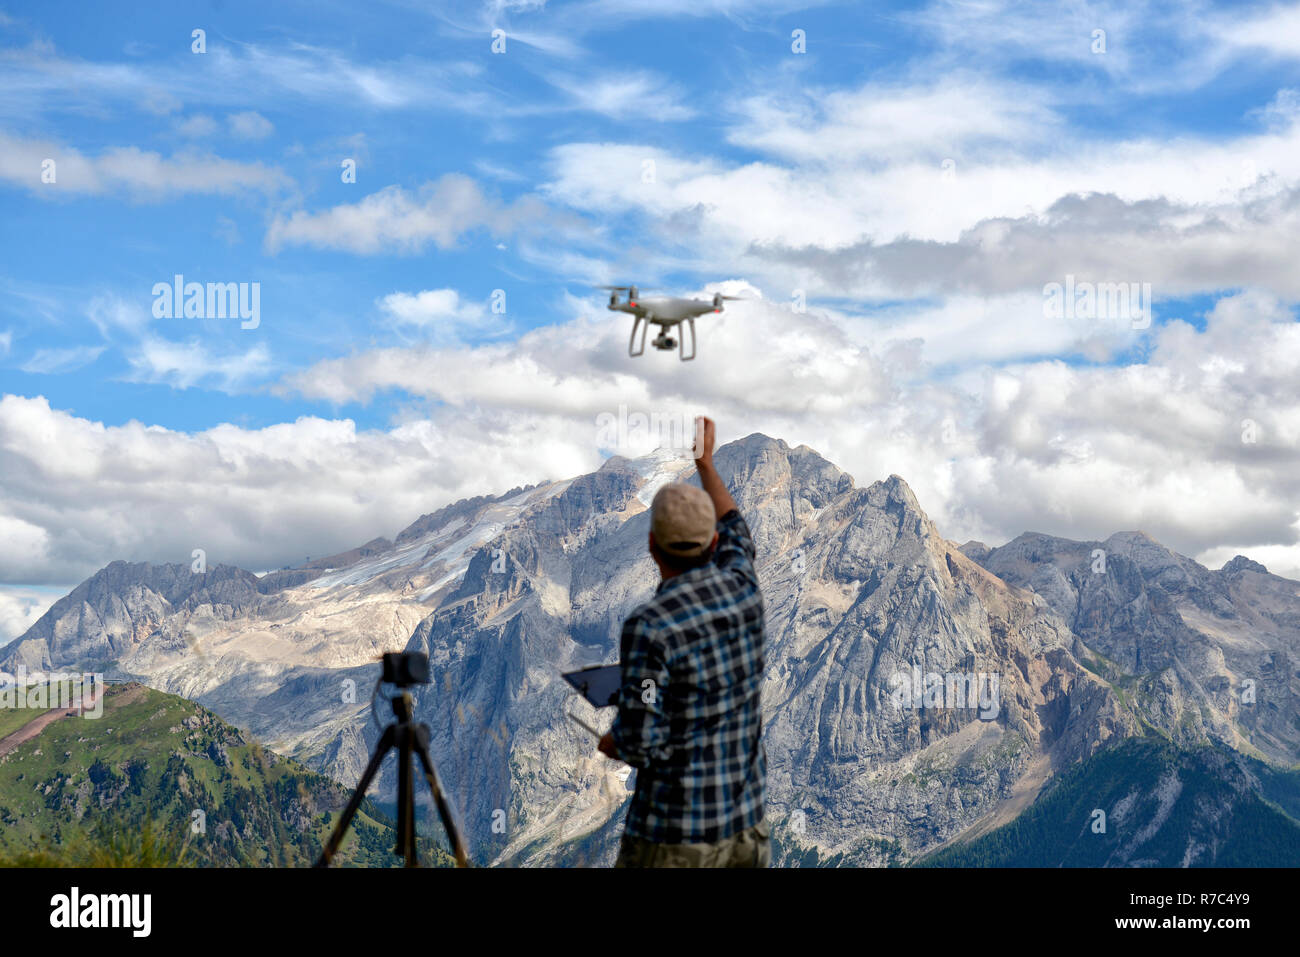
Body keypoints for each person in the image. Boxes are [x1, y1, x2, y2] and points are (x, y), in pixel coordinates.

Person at [598, 416, 769, 867]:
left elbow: (642, 740)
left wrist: (614, 741)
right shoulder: (744, 589)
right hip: (744, 830)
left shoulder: (649, 626)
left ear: (652, 547)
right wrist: (706, 465)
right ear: (714, 543)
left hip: (673, 839)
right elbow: (737, 526)